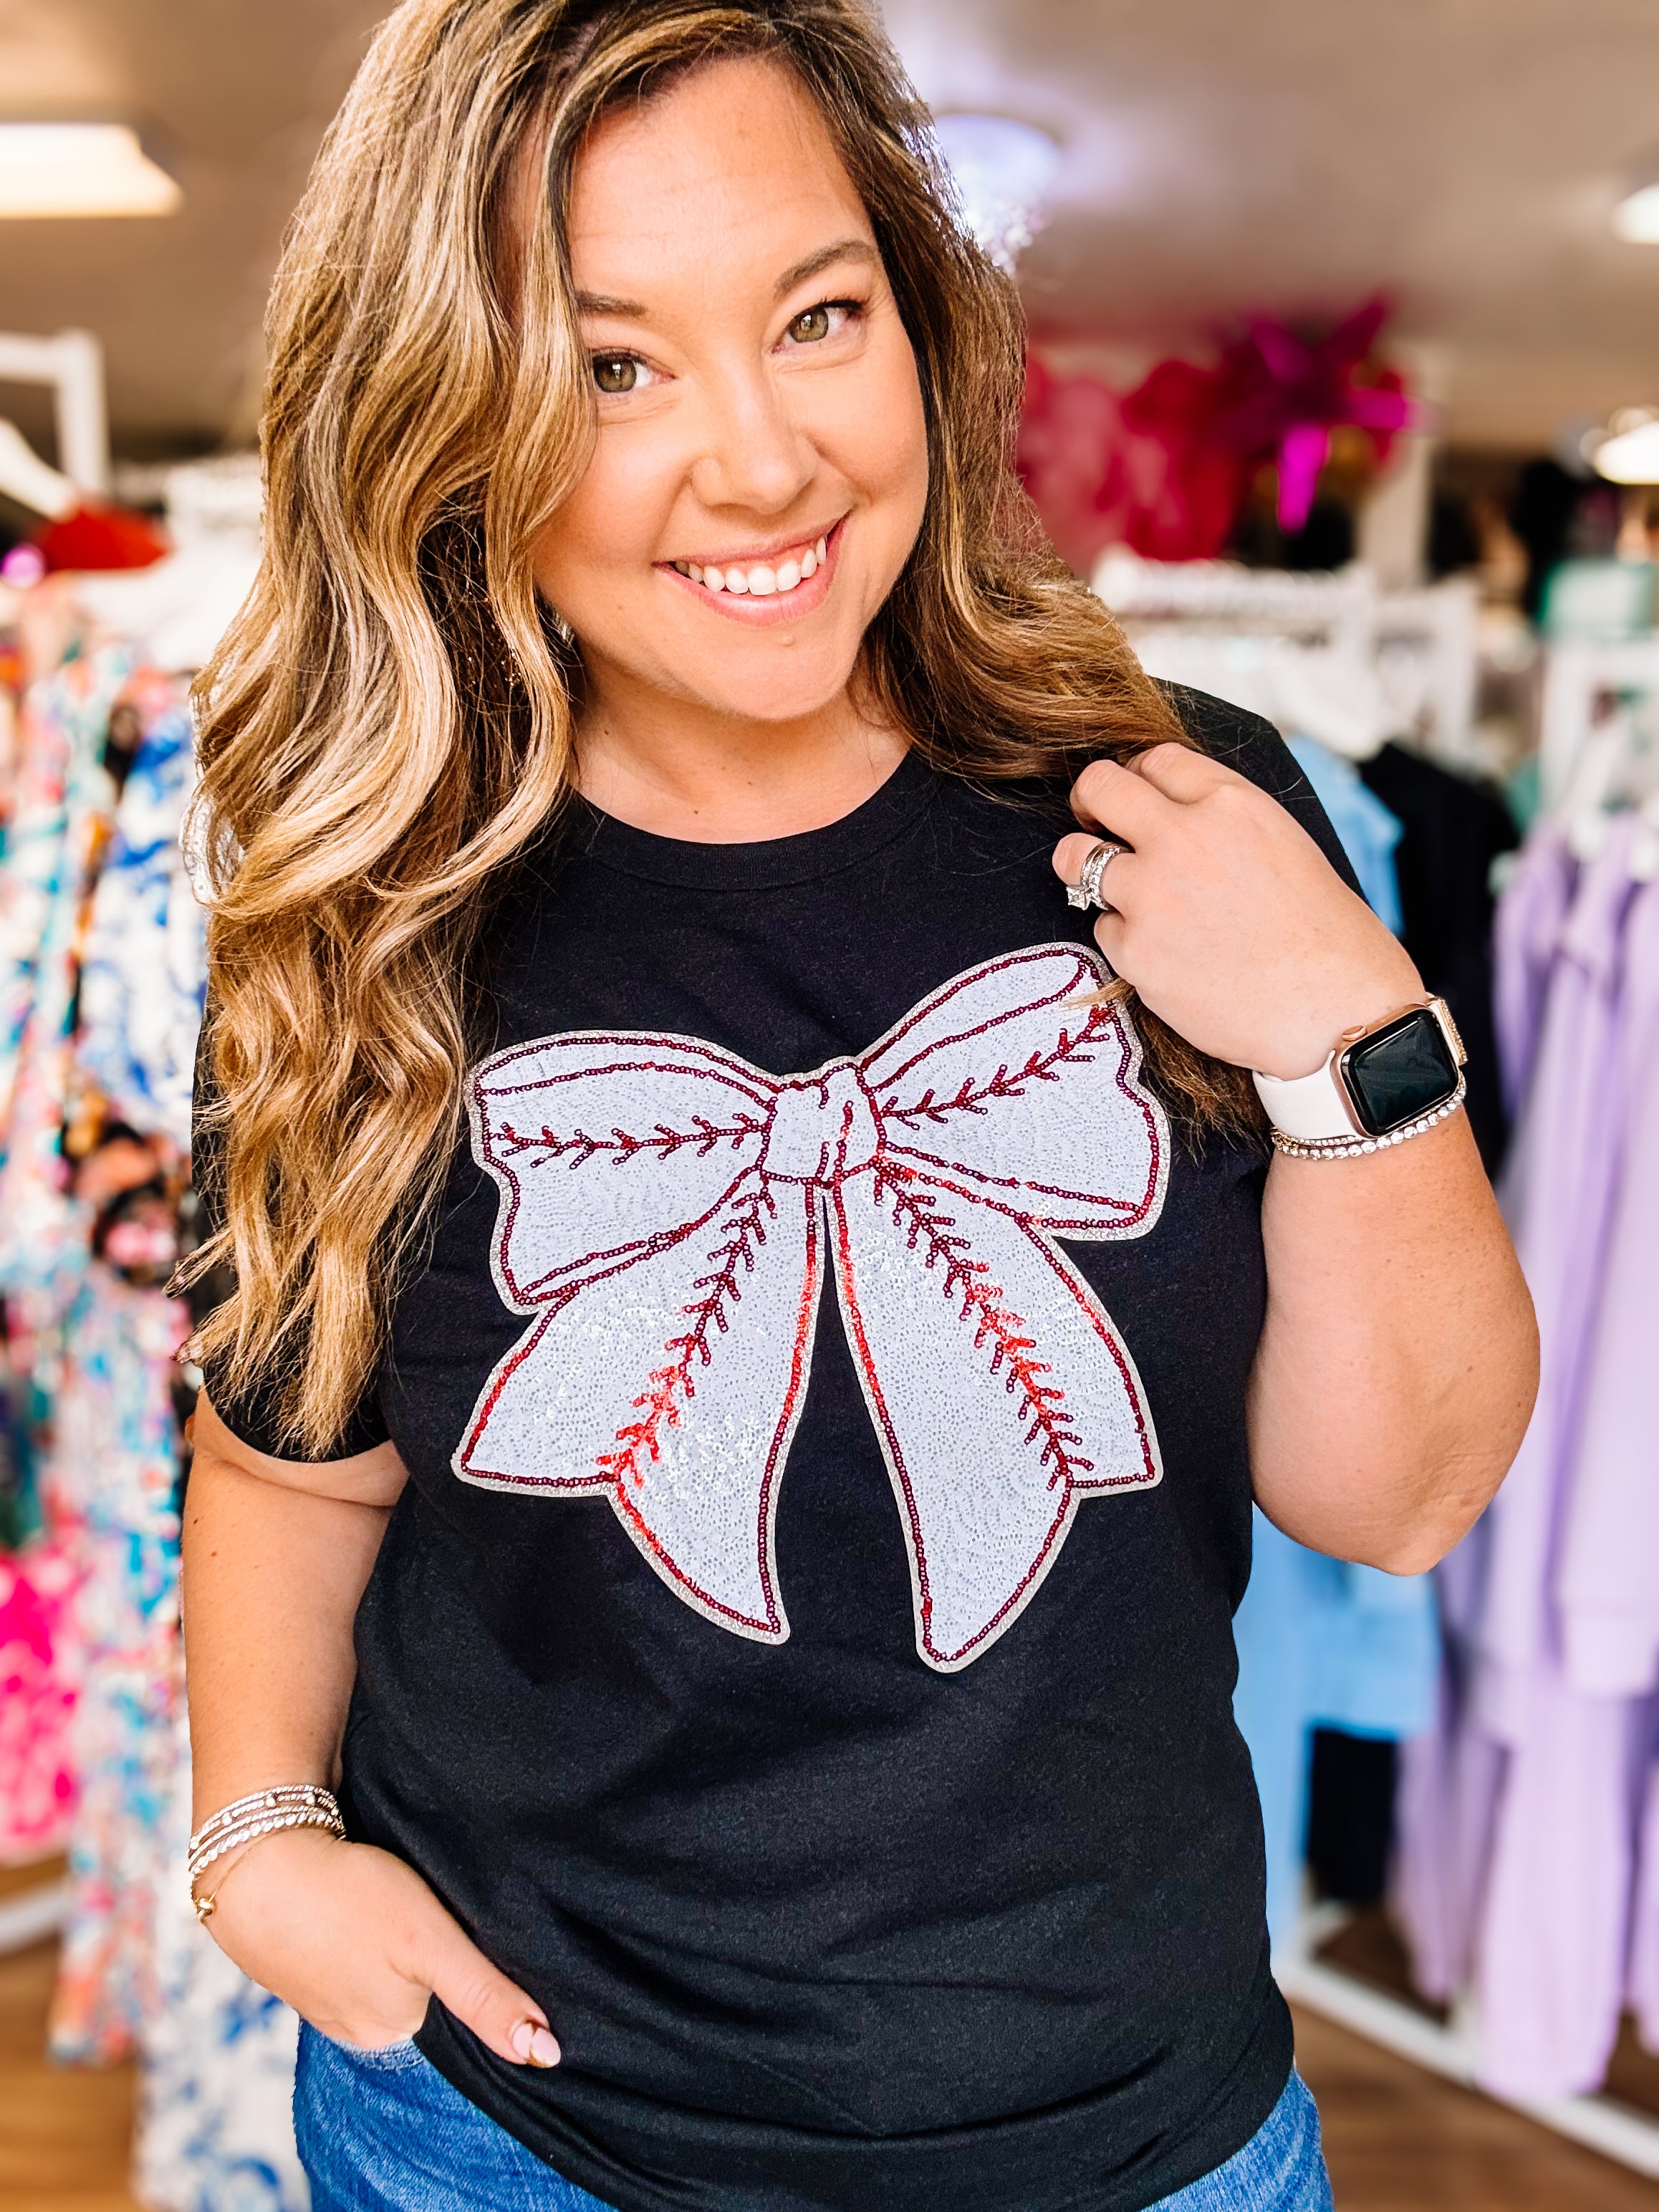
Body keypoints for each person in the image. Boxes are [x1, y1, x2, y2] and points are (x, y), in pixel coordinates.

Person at [178, 3, 1539, 2208]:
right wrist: (257, 1842)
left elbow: (1395, 1503)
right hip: (510, 2144)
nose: (761, 463)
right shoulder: (372, 917)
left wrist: (1349, 1035)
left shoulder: (1179, 805)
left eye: (817, 317)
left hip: (1140, 2142)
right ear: (448, 422)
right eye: (611, 366)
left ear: (920, 322)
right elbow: (288, 1468)